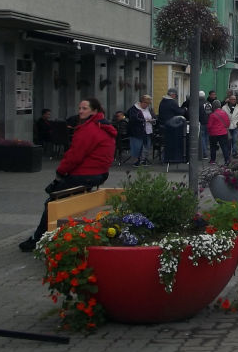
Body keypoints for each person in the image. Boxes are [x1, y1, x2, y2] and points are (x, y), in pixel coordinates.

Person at [19, 98, 116, 252]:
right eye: (80, 108)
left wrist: (60, 172)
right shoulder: (103, 126)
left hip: (85, 174)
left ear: (95, 111)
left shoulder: (89, 129)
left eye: (84, 108)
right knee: (65, 200)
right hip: (99, 173)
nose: (80, 111)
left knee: (52, 203)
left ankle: (38, 239)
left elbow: (74, 156)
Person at [125, 94, 155, 165]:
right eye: (146, 103)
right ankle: (136, 160)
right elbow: (133, 118)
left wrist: (153, 120)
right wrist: (144, 120)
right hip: (137, 131)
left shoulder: (149, 109)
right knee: (137, 146)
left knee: (146, 145)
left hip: (148, 130)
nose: (147, 105)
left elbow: (153, 116)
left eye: (148, 103)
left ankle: (143, 159)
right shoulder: (134, 109)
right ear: (142, 102)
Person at [207, 100, 232, 165]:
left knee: (213, 147)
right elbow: (228, 123)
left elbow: (209, 125)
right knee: (224, 147)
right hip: (223, 133)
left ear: (213, 106)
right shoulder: (224, 113)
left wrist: (209, 131)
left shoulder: (212, 115)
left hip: (213, 134)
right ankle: (227, 160)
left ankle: (213, 160)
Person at [222, 92, 238, 160]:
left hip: (235, 126)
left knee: (235, 140)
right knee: (228, 141)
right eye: (232, 99)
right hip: (227, 127)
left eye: (234, 99)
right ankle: (228, 153)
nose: (233, 100)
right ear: (229, 99)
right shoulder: (224, 107)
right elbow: (222, 117)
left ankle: (235, 153)